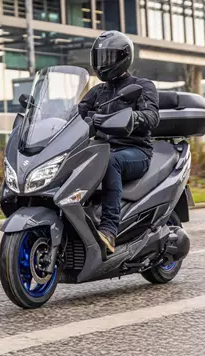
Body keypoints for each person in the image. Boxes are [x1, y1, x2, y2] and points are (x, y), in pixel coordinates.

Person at [78, 31, 159, 253]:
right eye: (100, 57)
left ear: (123, 58)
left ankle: (109, 229)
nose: (102, 63)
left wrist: (134, 117)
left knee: (110, 161)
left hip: (135, 151)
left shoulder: (141, 86)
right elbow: (76, 114)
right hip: (101, 149)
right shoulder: (97, 92)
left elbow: (152, 116)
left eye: (108, 57)